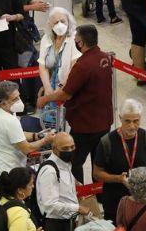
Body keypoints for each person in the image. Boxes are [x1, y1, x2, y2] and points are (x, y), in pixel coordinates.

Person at [37, 25, 113, 184]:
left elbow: (66, 94)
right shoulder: (104, 57)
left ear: (81, 43)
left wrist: (44, 99)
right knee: (98, 162)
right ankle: (98, 194)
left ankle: (78, 193)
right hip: (104, 121)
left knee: (74, 161)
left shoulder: (83, 65)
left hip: (85, 124)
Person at [92, 99, 146, 222]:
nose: (132, 126)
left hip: (143, 201)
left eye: (136, 121)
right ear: (120, 118)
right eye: (127, 121)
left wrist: (144, 177)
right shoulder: (106, 142)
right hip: (115, 203)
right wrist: (118, 179)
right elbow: (96, 173)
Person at [36, 132, 90, 231]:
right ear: (54, 149)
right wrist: (77, 208)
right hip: (56, 226)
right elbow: (50, 206)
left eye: (72, 147)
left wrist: (75, 183)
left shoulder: (65, 164)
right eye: (65, 149)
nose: (70, 151)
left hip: (68, 222)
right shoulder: (49, 171)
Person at [0, 81, 54, 190]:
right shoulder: (9, 120)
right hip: (6, 177)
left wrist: (36, 136)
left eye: (19, 96)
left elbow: (17, 135)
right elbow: (27, 148)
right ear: (3, 103)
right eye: (15, 99)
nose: (19, 101)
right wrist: (45, 140)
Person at [37, 7, 81, 95]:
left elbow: (74, 66)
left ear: (68, 21)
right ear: (51, 25)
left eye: (63, 21)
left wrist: (62, 87)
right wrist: (47, 87)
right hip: (52, 86)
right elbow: (42, 66)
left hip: (70, 86)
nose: (60, 25)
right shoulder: (46, 39)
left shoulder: (75, 37)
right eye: (56, 22)